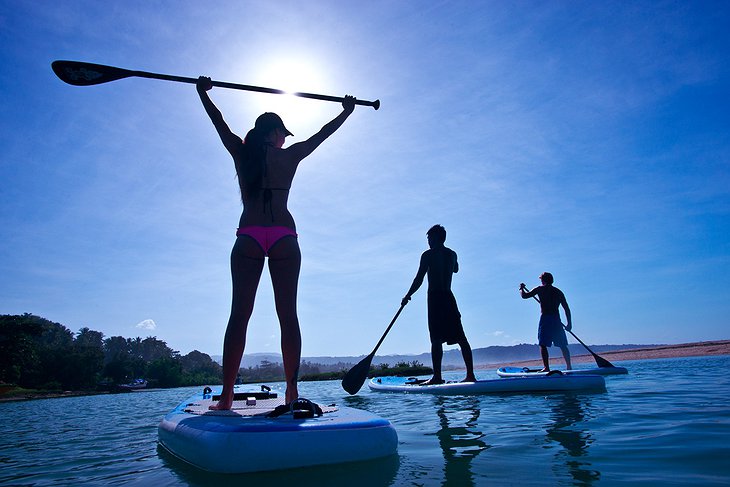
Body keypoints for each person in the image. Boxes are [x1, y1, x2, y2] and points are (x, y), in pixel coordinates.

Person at [196, 76, 356, 410]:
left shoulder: (241, 152)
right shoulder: (291, 156)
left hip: (248, 236)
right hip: (284, 236)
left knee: (239, 315)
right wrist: (347, 111)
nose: (285, 140)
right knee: (288, 316)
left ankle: (226, 397)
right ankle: (291, 391)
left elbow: (218, 122)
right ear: (274, 132)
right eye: (283, 133)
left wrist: (203, 93)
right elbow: (323, 134)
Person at [401, 225, 477, 384]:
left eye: (429, 238)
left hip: (435, 298)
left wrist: (408, 295)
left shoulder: (428, 255)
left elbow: (419, 278)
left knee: (436, 339)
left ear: (435, 238)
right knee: (461, 337)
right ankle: (470, 375)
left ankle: (437, 377)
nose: (428, 241)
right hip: (449, 297)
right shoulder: (452, 254)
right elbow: (456, 269)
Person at [519, 272, 573, 371]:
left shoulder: (540, 289)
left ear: (543, 280)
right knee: (562, 345)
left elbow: (524, 296)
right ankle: (569, 366)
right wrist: (569, 324)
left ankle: (546, 368)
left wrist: (521, 289)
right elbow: (567, 309)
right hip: (556, 320)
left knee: (543, 344)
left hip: (546, 319)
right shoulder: (558, 291)